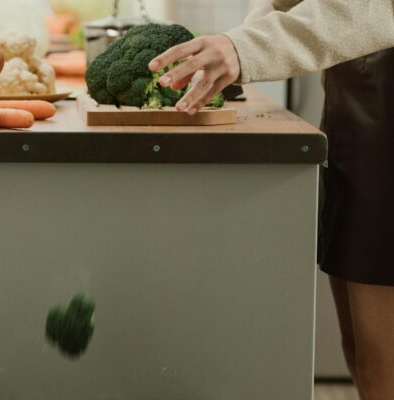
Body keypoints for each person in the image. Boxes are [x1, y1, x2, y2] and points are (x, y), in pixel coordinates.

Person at [148, 1, 394, 399]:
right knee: (364, 353)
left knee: (384, 364)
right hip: (355, 115)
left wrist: (245, 49)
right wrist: (238, 44)